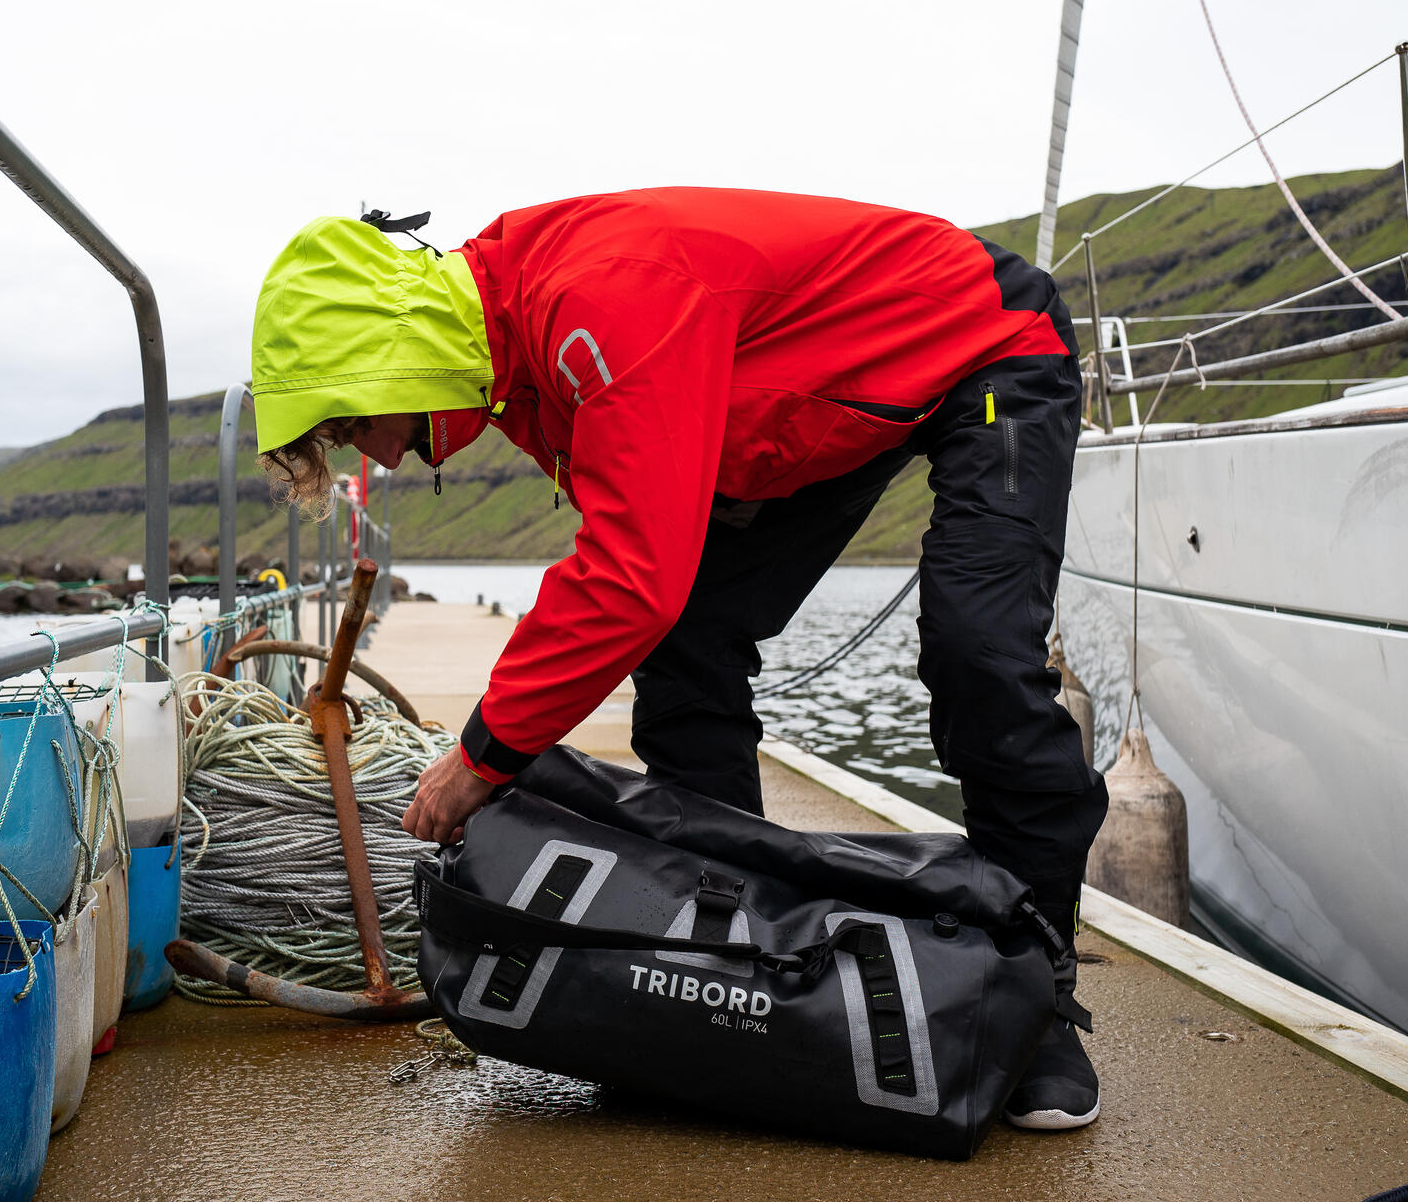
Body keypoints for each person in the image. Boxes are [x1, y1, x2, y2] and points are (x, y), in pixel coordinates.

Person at [250, 188, 1108, 1130]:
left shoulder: (595, 303)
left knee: (979, 652)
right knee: (687, 650)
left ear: (391, 357)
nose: (383, 455)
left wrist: (482, 756)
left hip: (980, 346)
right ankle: (732, 959)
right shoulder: (513, 360)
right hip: (806, 410)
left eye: (351, 424)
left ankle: (1038, 990)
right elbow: (643, 562)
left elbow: (630, 574)